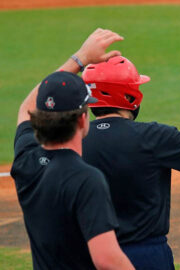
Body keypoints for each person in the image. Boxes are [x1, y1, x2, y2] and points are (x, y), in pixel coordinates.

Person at [81, 52, 180, 269]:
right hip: (146, 255)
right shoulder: (153, 137)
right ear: (128, 95)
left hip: (93, 254)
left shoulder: (73, 141)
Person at [10, 28, 134, 269]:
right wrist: (82, 58)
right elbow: (106, 259)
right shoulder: (86, 179)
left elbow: (27, 107)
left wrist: (80, 57)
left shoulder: (26, 160)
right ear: (82, 120)